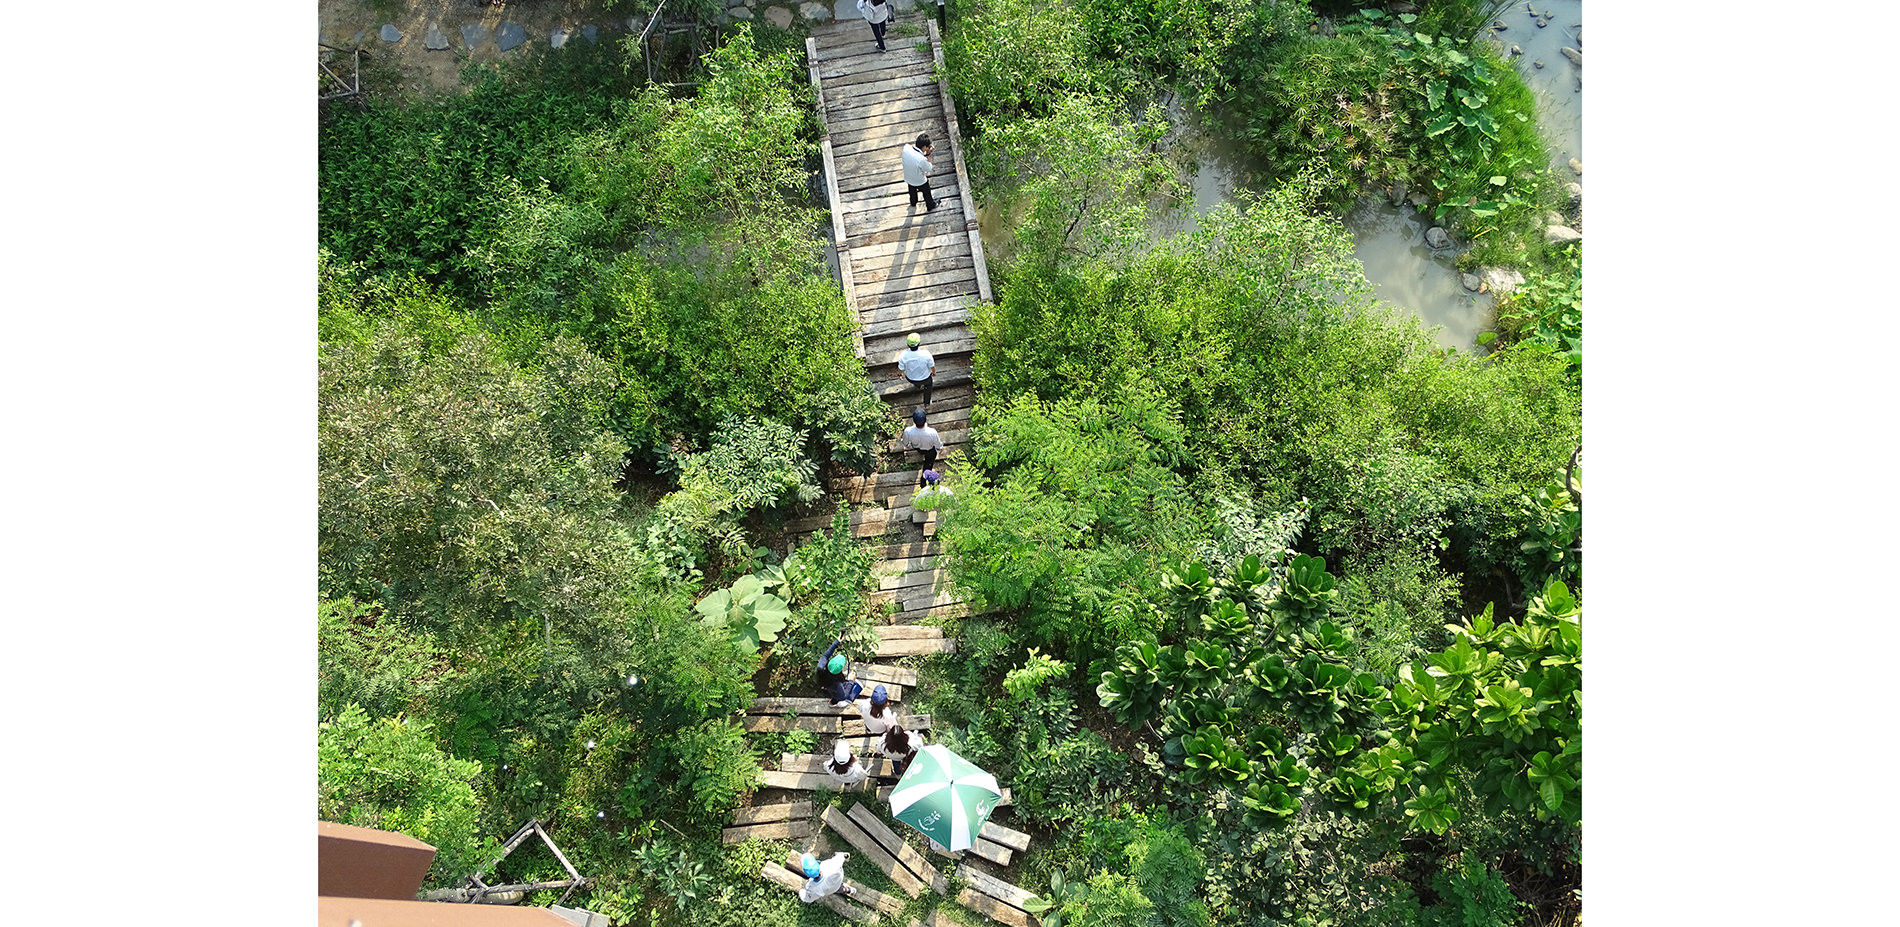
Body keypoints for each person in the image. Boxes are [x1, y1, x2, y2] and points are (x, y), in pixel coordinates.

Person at [898, 409, 944, 488]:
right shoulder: (932, 432)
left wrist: (908, 445)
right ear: (926, 420)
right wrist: (939, 449)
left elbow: (905, 443)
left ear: (914, 421)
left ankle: (923, 482)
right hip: (930, 451)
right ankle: (924, 483)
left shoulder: (908, 431)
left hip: (918, 448)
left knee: (921, 452)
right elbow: (937, 444)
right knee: (928, 465)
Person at [794, 851, 859, 902]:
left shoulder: (812, 888)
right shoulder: (830, 866)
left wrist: (801, 892)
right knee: (841, 887)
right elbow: (841, 857)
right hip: (838, 881)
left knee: (838, 889)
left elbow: (807, 898)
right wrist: (842, 855)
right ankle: (850, 890)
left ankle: (848, 890)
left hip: (831, 890)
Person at [817, 637, 862, 707]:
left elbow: (825, 656)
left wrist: (837, 642)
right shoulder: (837, 684)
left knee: (833, 692)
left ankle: (832, 702)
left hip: (826, 685)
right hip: (836, 691)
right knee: (840, 696)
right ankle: (836, 703)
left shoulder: (821, 667)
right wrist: (851, 681)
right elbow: (843, 696)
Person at [896, 333, 935, 407]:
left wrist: (899, 374)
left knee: (917, 381)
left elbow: (901, 369)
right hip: (925, 378)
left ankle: (918, 386)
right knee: (929, 386)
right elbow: (932, 366)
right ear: (919, 343)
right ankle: (926, 402)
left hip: (911, 378)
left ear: (908, 344)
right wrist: (933, 372)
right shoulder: (926, 354)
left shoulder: (903, 356)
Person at [902, 135, 937, 212]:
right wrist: (927, 155)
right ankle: (930, 205)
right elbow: (929, 168)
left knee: (912, 192)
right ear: (924, 147)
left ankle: (913, 202)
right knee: (926, 191)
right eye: (928, 147)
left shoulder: (906, 148)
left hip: (908, 178)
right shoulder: (922, 160)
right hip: (920, 181)